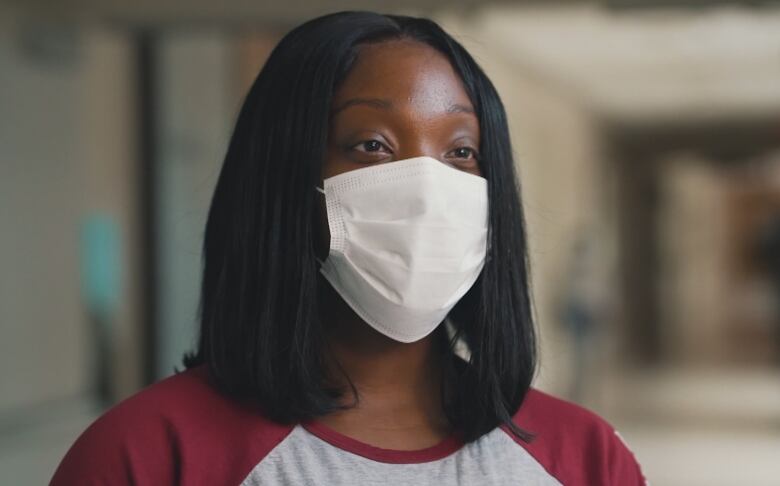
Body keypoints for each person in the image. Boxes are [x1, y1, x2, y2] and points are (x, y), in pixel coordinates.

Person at [50, 11, 647, 485]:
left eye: (461, 152)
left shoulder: (583, 457)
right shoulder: (146, 454)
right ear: (282, 177)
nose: (427, 189)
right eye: (373, 145)